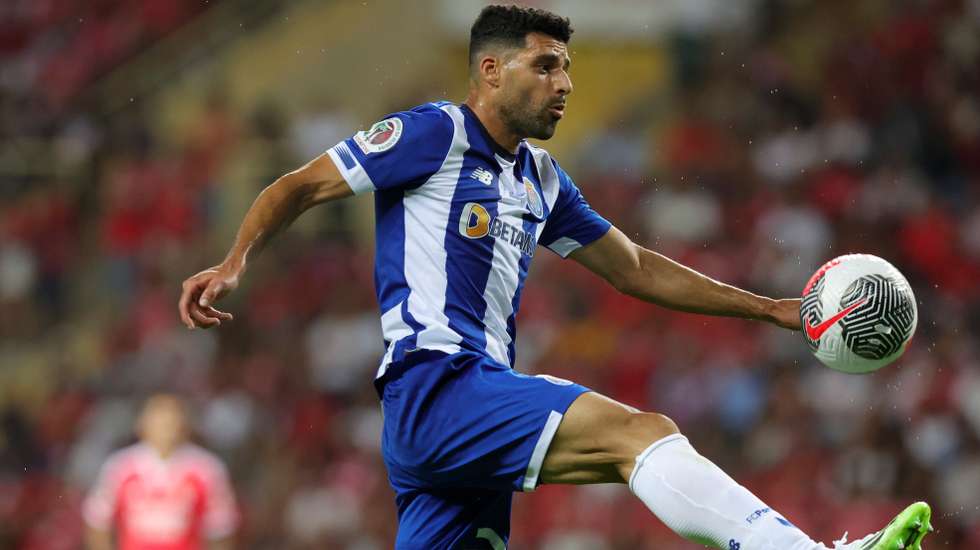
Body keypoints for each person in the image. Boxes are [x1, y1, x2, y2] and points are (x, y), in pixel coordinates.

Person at [177, 5, 931, 549]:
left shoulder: (541, 179)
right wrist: (235, 261)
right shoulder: (435, 133)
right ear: (491, 70)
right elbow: (299, 186)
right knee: (642, 434)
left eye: (567, 66)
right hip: (437, 386)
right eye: (546, 65)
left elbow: (632, 269)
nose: (564, 82)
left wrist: (769, 308)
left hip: (457, 424)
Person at [83, 394, 239, 550]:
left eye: (171, 420)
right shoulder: (120, 467)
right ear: (142, 423)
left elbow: (220, 528)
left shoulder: (207, 469)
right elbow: (98, 521)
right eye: (158, 420)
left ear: (185, 425)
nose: (165, 427)